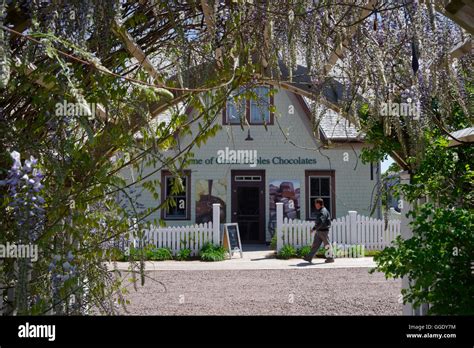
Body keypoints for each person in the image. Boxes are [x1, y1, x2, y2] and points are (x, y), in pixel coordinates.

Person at [303, 198, 334, 263]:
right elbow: (319, 222)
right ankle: (309, 257)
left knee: (327, 245)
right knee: (315, 245)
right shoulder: (321, 210)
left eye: (316, 203)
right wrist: (315, 228)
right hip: (319, 231)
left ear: (319, 204)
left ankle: (330, 258)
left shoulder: (323, 211)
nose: (315, 205)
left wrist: (314, 228)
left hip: (323, 231)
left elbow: (321, 222)